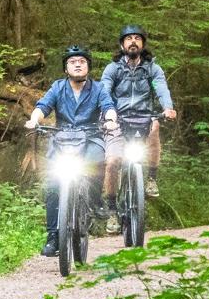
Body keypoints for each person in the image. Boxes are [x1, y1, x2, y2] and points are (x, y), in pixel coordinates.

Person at [26, 45, 119, 257]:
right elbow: (43, 107)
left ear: (88, 67)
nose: (77, 64)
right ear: (66, 68)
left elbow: (108, 107)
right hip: (62, 139)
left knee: (97, 161)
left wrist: (111, 120)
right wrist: (34, 120)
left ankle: (96, 200)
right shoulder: (58, 87)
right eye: (72, 62)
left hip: (90, 138)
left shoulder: (98, 89)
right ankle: (53, 237)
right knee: (53, 184)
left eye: (82, 61)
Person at [101, 24, 176, 201]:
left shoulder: (152, 69)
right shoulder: (113, 69)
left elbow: (160, 88)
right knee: (112, 163)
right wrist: (107, 114)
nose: (133, 41)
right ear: (122, 45)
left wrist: (167, 108)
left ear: (143, 44)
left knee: (155, 126)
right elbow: (104, 91)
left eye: (137, 38)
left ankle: (151, 177)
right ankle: (111, 208)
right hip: (118, 118)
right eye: (128, 39)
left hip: (144, 116)